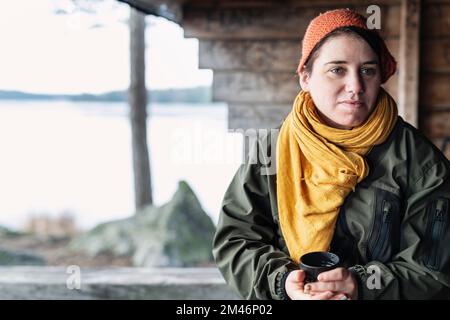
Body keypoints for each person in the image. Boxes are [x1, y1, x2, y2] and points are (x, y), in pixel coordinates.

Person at [212, 8, 450, 300]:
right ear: (305, 77)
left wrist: (361, 286)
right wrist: (284, 283)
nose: (356, 87)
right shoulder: (271, 151)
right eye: (337, 69)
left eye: (368, 70)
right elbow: (237, 241)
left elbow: (433, 269)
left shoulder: (421, 161)